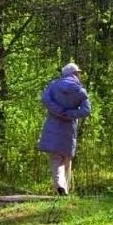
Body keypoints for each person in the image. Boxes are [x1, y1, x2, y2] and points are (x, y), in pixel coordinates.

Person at [37, 62, 92, 196]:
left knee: (56, 158)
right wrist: (70, 114)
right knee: (66, 159)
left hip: (53, 125)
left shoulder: (53, 85)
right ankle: (64, 189)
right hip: (69, 128)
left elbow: (45, 99)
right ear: (74, 74)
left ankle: (60, 186)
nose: (79, 75)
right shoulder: (80, 90)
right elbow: (86, 110)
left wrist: (58, 111)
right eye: (78, 73)